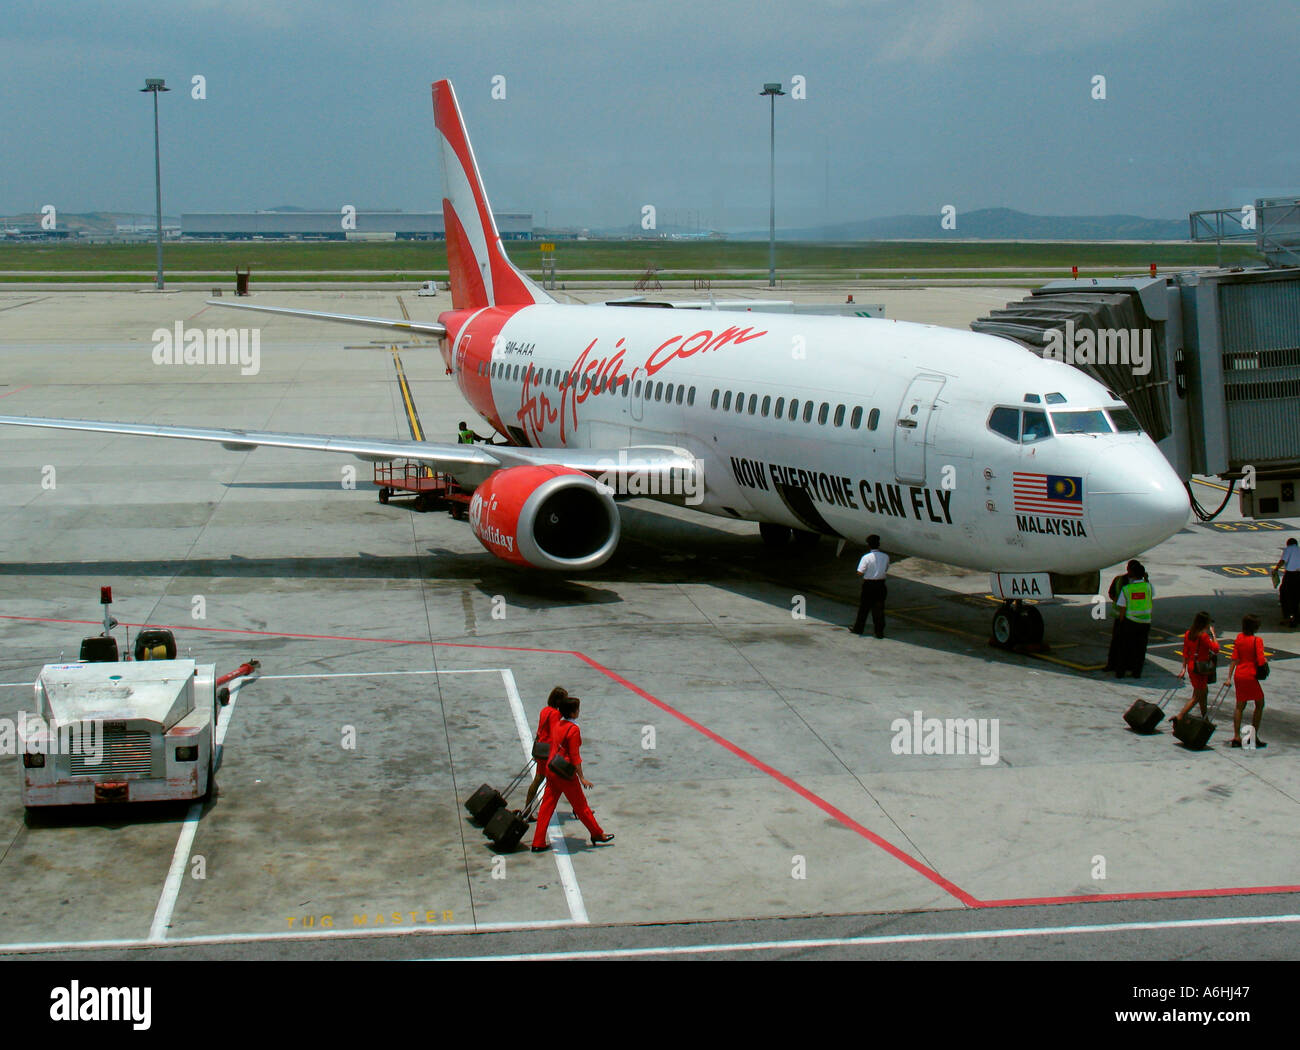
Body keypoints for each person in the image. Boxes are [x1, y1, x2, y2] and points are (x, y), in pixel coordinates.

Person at [531, 696, 614, 852]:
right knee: (581, 806)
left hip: (551, 768)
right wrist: (581, 777)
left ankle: (538, 842)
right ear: (574, 712)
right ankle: (597, 833)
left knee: (547, 806)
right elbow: (575, 757)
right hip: (564, 773)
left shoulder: (557, 724)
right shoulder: (573, 730)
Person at [522, 686, 567, 817]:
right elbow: (555, 734)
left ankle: (527, 810)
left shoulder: (545, 710)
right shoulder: (556, 714)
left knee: (538, 779)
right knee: (556, 781)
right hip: (549, 751)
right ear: (558, 701)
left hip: (541, 748)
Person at [1172, 611, 1219, 729]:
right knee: (1197, 696)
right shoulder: (1203, 636)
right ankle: (1180, 716)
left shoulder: (1189, 634)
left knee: (1203, 693)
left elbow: (1185, 652)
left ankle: (1205, 717)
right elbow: (1216, 648)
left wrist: (1183, 668)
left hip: (1192, 666)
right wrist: (1213, 635)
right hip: (1201, 668)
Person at [1230, 614, 1268, 748]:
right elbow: (1261, 660)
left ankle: (1236, 736)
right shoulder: (1257, 640)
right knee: (1259, 703)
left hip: (1239, 674)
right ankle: (1253, 736)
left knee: (1240, 705)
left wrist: (1229, 677)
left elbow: (1234, 658)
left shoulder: (1239, 638)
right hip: (1250, 675)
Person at [1114, 560, 1154, 678]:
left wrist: (1121, 622)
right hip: (1145, 622)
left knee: (1124, 648)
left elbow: (1122, 608)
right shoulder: (1148, 587)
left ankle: (1120, 672)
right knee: (1140, 649)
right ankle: (1137, 672)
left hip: (1130, 622)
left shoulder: (1127, 589)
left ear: (1132, 574)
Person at [851, 534, 889, 638]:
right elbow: (886, 569)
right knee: (879, 609)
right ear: (879, 544)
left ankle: (858, 629)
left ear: (869, 545)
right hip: (881, 585)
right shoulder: (885, 557)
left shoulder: (866, 557)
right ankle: (879, 632)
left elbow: (860, 572)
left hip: (869, 585)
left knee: (864, 609)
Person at [1102, 566, 1130, 672]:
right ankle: (1123, 666)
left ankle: (1113, 665)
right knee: (1127, 644)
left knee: (1117, 644)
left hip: (1121, 618)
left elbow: (1111, 594)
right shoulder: (1143, 584)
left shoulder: (1119, 580)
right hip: (1131, 619)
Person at [1275, 538, 1300, 627]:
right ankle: (1296, 618)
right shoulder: (1298, 549)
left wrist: (1276, 568)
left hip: (1291, 575)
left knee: (1284, 595)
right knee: (1296, 597)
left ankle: (1287, 616)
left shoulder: (1289, 549)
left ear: (1288, 544)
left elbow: (1283, 560)